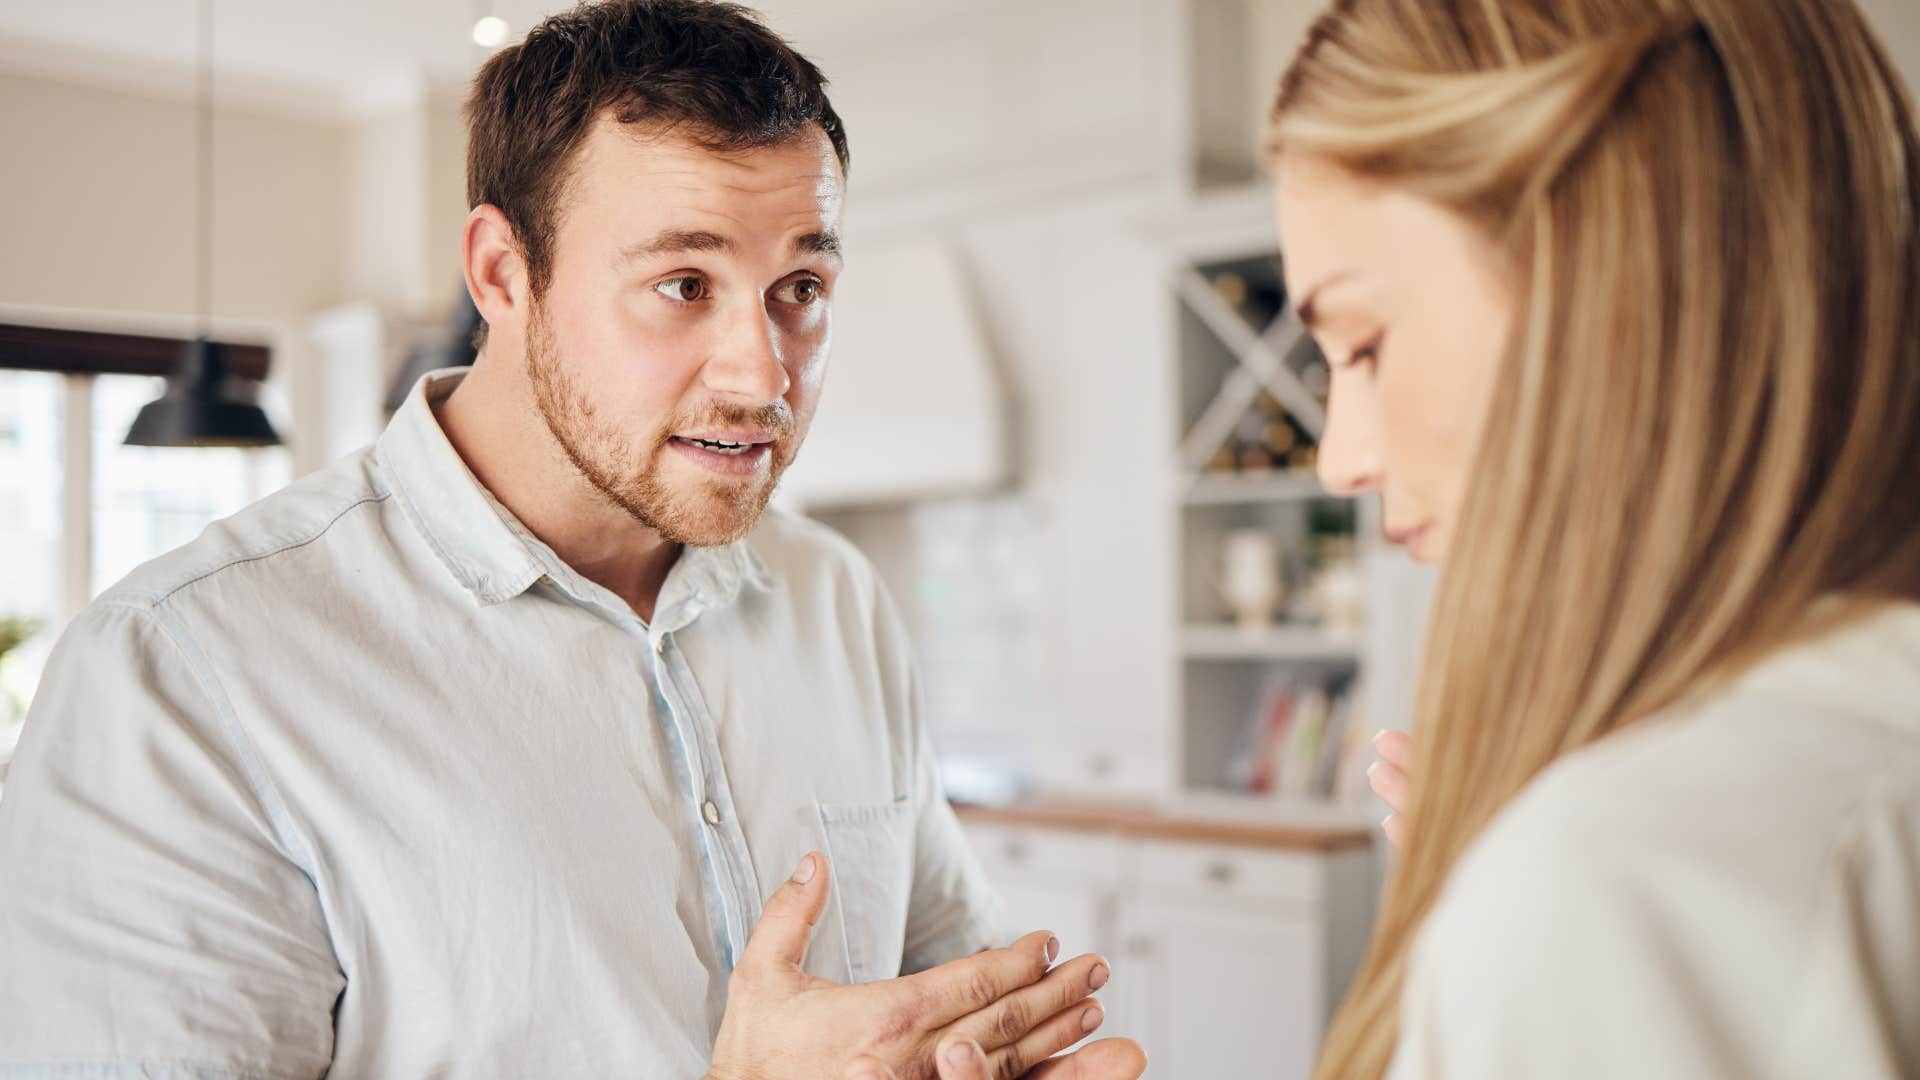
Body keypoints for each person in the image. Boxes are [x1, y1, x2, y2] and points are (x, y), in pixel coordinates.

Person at [0, 3, 1147, 1078]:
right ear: (504, 274)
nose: (763, 375)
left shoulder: (835, 597)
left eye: (800, 286)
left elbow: (945, 998)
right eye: (684, 283)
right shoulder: (178, 679)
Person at [1246, 0, 1920, 1078]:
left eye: (1364, 345)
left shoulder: (1617, 883)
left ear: (1610, 279)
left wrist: (1537, 915)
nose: (1341, 460)